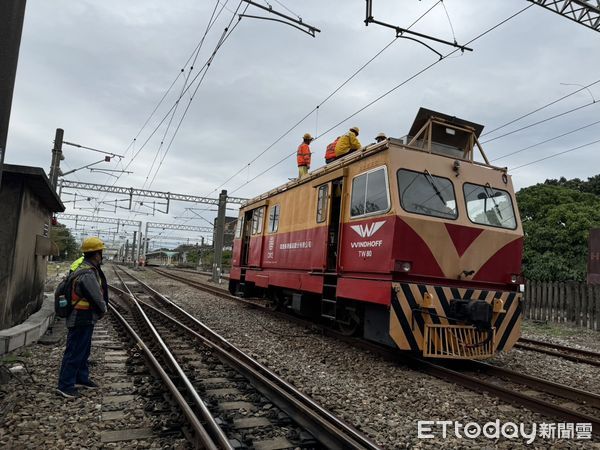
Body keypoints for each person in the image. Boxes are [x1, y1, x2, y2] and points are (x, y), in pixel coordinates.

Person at [57, 237, 109, 399]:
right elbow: (96, 296)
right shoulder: (87, 273)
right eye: (101, 252)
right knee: (75, 351)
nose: (102, 256)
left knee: (83, 350)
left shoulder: (84, 267)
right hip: (80, 316)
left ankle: (81, 378)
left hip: (84, 317)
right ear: (96, 254)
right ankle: (65, 385)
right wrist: (103, 309)